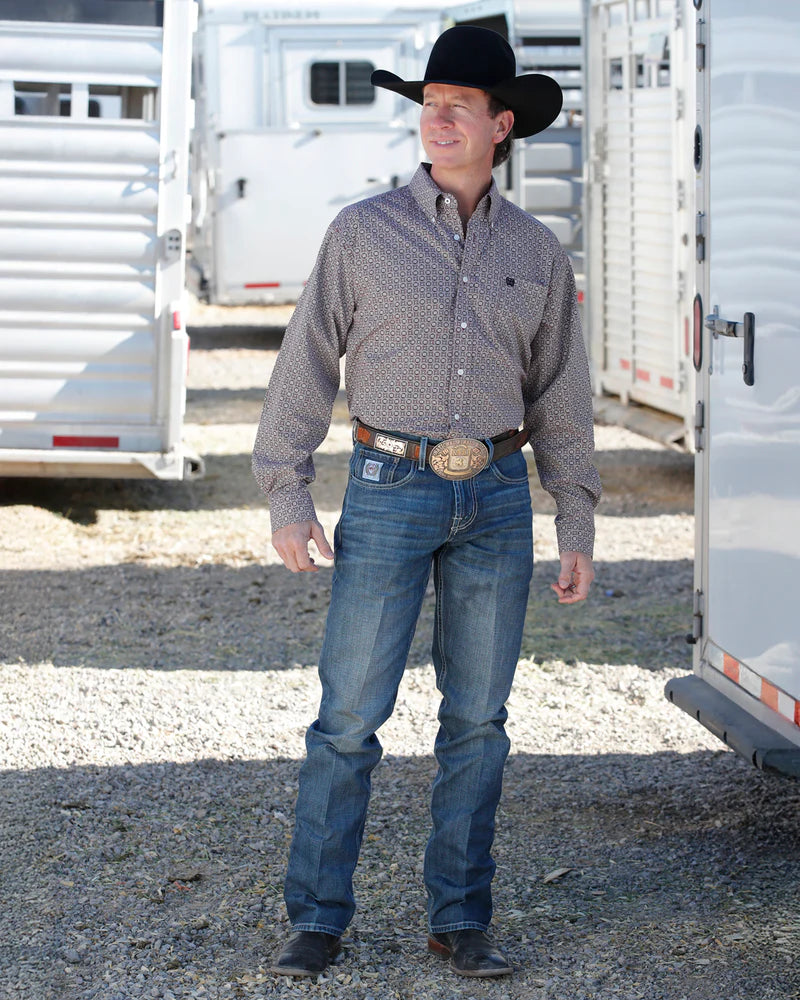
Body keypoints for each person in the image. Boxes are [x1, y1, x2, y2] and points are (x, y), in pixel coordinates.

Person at [252, 24, 601, 979]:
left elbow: (561, 396)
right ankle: (317, 919)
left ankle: (460, 920)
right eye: (428, 103)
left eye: (458, 106)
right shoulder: (361, 233)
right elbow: (305, 363)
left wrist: (574, 516)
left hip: (495, 496)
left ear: (501, 125)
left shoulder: (538, 250)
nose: (437, 119)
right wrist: (287, 493)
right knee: (348, 718)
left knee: (479, 723)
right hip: (388, 488)